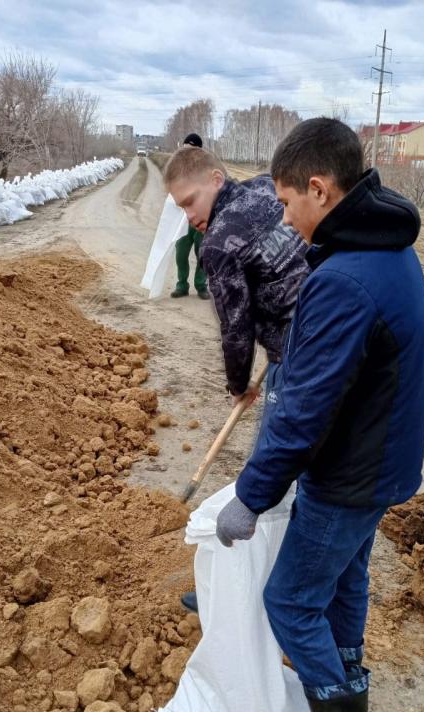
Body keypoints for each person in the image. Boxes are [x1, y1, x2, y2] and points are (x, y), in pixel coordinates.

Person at [214, 118, 424, 712]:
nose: (282, 219)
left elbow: (304, 411)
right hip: (380, 458)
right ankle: (345, 680)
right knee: (345, 581)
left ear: (319, 188)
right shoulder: (384, 244)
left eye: (286, 203)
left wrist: (251, 497)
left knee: (290, 600)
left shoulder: (347, 278)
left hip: (350, 472)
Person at [164, 145, 310, 614]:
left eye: (190, 202)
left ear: (216, 179)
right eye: (180, 208)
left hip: (298, 357)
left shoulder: (218, 244)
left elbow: (236, 328)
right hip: (325, 332)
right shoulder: (271, 186)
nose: (189, 217)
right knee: (296, 464)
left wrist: (236, 385)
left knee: (265, 473)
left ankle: (244, 590)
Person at [171, 133, 210, 300]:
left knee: (202, 254)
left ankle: (201, 286)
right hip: (181, 220)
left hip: (200, 219)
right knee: (181, 254)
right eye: (185, 148)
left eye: (191, 149)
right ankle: (182, 285)